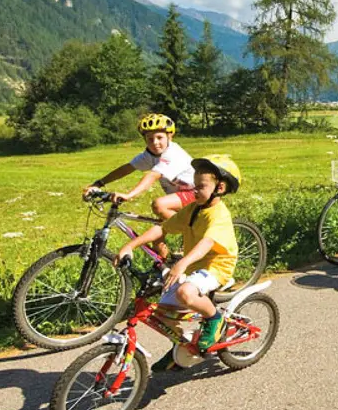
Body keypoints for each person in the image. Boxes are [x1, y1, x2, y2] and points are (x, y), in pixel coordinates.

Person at [115, 154, 241, 372]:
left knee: (185, 294)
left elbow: (207, 242)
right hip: (195, 265)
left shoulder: (218, 214)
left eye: (200, 187)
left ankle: (214, 318)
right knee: (161, 314)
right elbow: (162, 228)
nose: (194, 190)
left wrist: (181, 263)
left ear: (219, 188)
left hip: (216, 266)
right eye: (194, 184)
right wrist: (130, 246)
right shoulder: (194, 209)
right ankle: (183, 346)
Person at [83, 113, 195, 260]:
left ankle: (193, 235)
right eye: (150, 139)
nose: (155, 143)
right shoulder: (149, 154)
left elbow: (153, 175)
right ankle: (167, 269)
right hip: (178, 199)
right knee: (157, 237)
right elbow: (127, 168)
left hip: (198, 194)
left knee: (159, 205)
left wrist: (129, 195)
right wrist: (98, 183)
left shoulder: (173, 153)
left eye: (159, 137)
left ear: (170, 137)